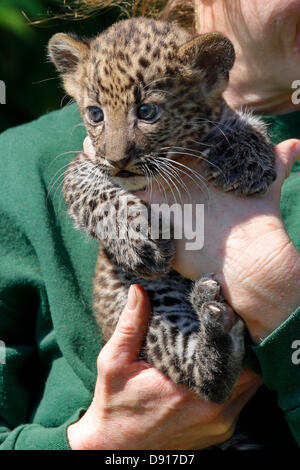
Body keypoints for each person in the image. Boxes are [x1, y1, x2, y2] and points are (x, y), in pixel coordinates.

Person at [0, 0, 299, 450]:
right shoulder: (21, 166)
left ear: (210, 72)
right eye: (96, 116)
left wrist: (275, 292)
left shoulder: (240, 137)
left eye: (148, 112)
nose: (117, 151)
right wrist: (96, 442)